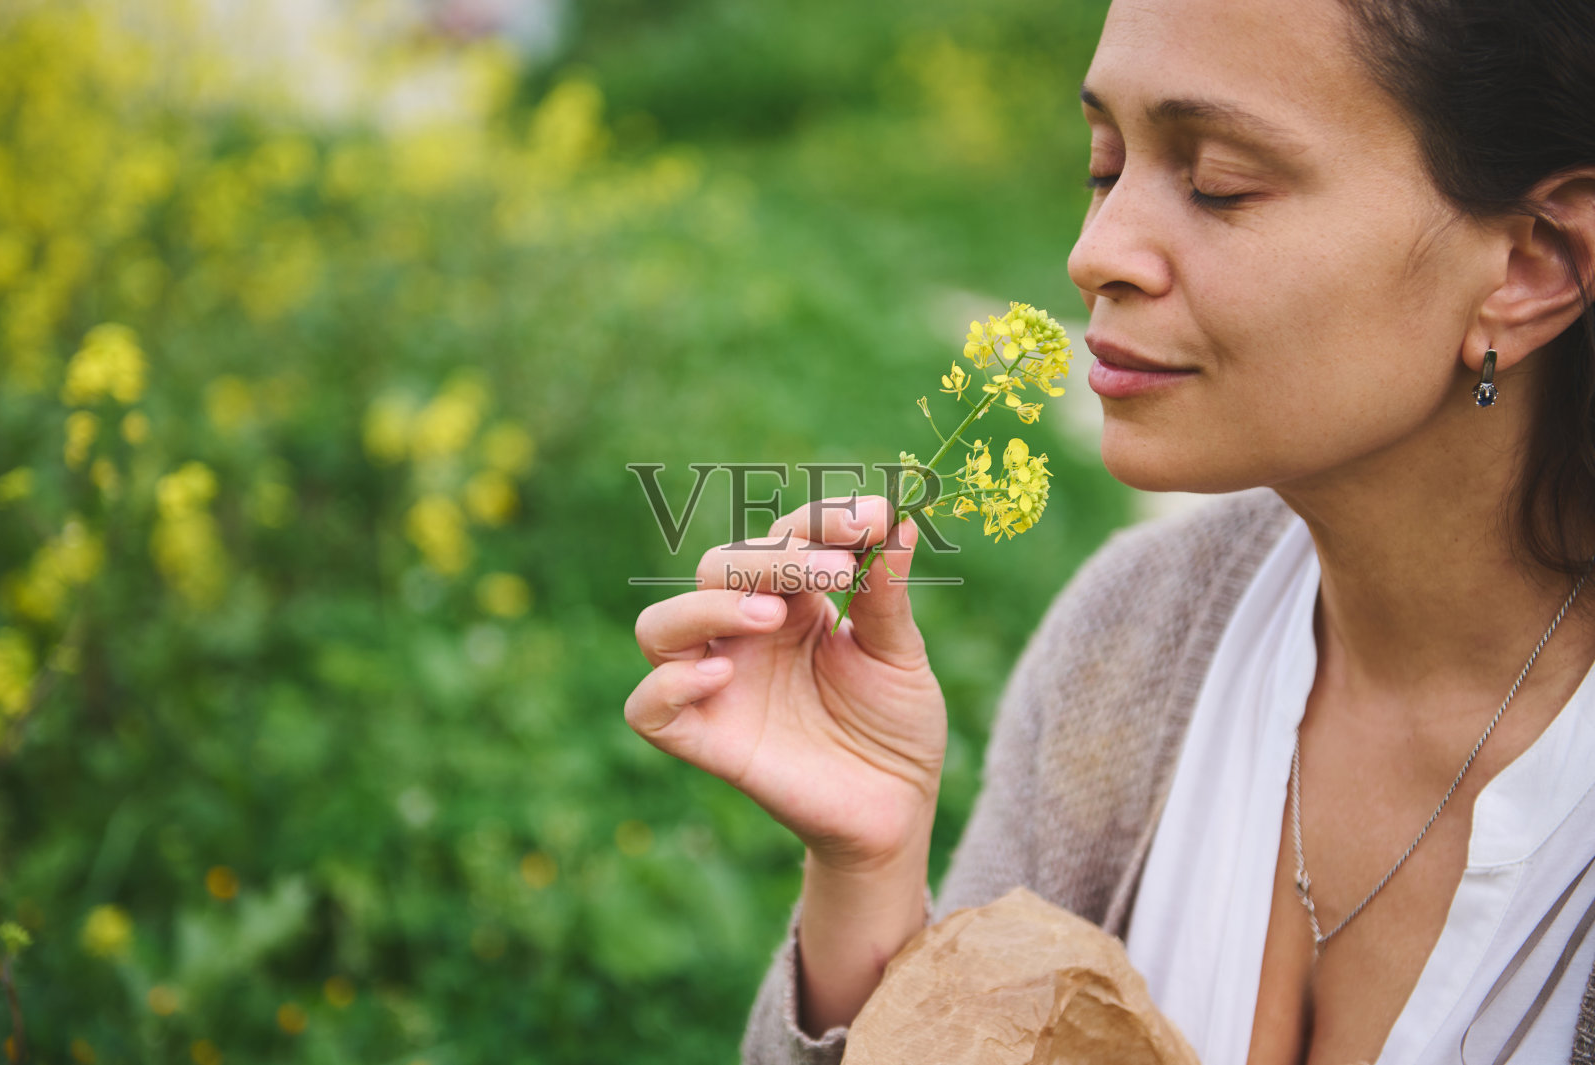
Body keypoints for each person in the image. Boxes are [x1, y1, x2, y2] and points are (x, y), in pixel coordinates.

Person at [624, 0, 1595, 1061]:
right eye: (1103, 165)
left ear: (1529, 267)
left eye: (1218, 181)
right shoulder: (1129, 637)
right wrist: (869, 881)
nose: (1097, 253)